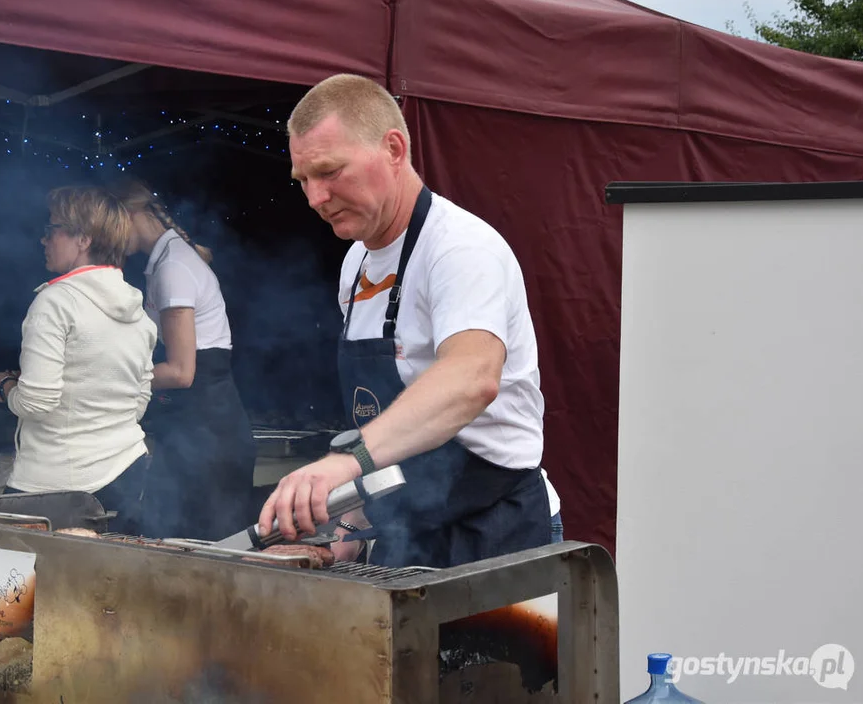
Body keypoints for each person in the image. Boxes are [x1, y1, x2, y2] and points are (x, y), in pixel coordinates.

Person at [259, 73, 556, 568]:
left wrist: (344, 464)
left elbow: (471, 378)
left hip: (495, 531)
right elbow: (383, 418)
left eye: (330, 171)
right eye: (304, 180)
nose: (314, 197)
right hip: (406, 528)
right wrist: (349, 520)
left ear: (394, 149)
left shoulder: (460, 248)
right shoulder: (355, 264)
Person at [0, 185, 157, 535]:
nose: (43, 240)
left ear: (83, 239)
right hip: (127, 471)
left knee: (16, 588)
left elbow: (38, 401)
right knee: (106, 584)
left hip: (53, 488)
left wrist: (4, 386)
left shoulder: (55, 302)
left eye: (52, 230)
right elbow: (137, 404)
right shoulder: (141, 315)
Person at [112, 179, 256, 541]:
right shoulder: (166, 260)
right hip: (196, 430)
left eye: (111, 222)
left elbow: (180, 371)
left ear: (131, 215)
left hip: (209, 438)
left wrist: (110, 379)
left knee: (209, 554)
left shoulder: (173, 268)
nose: (107, 236)